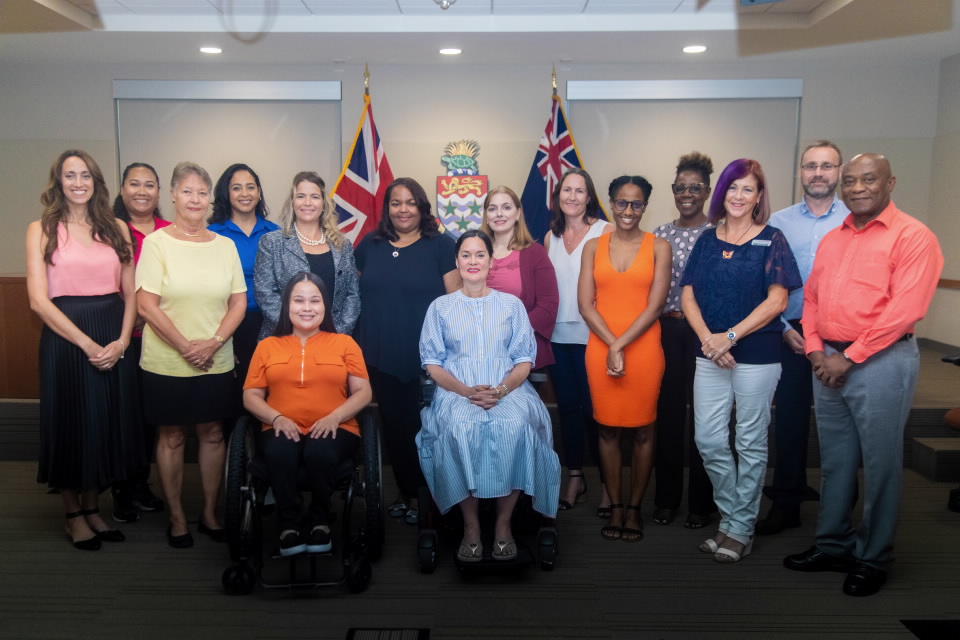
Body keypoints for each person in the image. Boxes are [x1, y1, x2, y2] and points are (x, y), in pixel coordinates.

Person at [784, 154, 943, 597]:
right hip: (827, 361)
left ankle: (873, 557)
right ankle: (833, 544)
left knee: (880, 464)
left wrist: (849, 358)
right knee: (835, 461)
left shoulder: (914, 236)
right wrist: (816, 351)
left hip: (882, 361)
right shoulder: (834, 238)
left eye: (868, 179)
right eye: (850, 181)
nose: (857, 188)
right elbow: (812, 299)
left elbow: (904, 310)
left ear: (890, 182)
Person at [680, 158, 801, 563]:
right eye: (732, 187)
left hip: (758, 354)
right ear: (722, 192)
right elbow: (688, 294)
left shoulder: (773, 239)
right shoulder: (706, 240)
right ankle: (734, 518)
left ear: (759, 196)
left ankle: (739, 529)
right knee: (709, 440)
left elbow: (777, 301)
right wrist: (710, 341)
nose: (738, 195)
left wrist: (729, 336)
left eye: (748, 189)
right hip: (709, 353)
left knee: (749, 442)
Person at [417, 230, 561, 562]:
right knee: (459, 427)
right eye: (466, 255)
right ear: (457, 262)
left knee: (516, 425)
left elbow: (524, 360)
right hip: (456, 389)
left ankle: (503, 524)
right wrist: (466, 391)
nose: (473, 261)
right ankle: (471, 526)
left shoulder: (511, 306)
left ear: (490, 261)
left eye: (480, 254)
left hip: (508, 387)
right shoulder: (440, 308)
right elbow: (432, 363)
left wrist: (501, 390)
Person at [26, 149, 142, 550]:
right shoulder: (41, 229)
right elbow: (38, 301)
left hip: (113, 333)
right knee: (72, 423)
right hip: (66, 338)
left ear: (96, 181)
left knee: (104, 423)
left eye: (85, 175)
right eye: (70, 175)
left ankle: (94, 508)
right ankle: (73, 514)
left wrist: (122, 342)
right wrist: (88, 343)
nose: (78, 183)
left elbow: (131, 294)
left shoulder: (118, 228)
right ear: (58, 181)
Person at [136, 161, 247, 548]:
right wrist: (185, 347)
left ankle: (211, 512)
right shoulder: (157, 244)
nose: (195, 199)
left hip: (216, 358)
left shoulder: (225, 246)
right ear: (172, 195)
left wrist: (213, 342)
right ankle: (177, 517)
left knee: (213, 434)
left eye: (202, 192)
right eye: (187, 191)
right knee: (171, 437)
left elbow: (239, 302)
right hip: (167, 361)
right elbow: (146, 305)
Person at [353, 177, 460, 525]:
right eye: (396, 203)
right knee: (395, 426)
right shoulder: (370, 244)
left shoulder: (441, 245)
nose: (403, 210)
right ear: (387, 208)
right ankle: (405, 491)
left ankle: (430, 495)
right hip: (379, 352)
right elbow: (352, 294)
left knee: (426, 427)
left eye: (411, 202)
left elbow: (455, 304)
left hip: (428, 358)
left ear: (422, 207)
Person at [243, 272, 372, 555]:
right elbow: (251, 395)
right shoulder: (267, 346)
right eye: (298, 300)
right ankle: (288, 524)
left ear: (325, 305)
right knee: (279, 451)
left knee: (319, 451)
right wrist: (276, 418)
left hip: (337, 427)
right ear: (287, 305)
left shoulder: (344, 344)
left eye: (314, 301)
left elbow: (363, 392)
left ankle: (320, 520)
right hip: (279, 426)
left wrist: (334, 417)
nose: (307, 308)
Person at [758, 141, 848, 535]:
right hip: (790, 333)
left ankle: (841, 514)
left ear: (839, 171)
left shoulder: (855, 219)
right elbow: (763, 283)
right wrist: (783, 328)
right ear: (800, 172)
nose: (818, 173)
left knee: (841, 427)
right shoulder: (778, 222)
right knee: (789, 425)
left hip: (841, 338)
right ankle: (786, 506)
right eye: (811, 165)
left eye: (827, 166)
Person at [579, 176, 671, 542]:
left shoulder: (659, 246)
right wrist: (612, 345)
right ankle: (615, 505)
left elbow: (655, 306)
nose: (628, 210)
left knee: (645, 430)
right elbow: (586, 305)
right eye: (621, 202)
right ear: (611, 203)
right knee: (607, 428)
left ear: (645, 206)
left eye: (636, 204)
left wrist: (619, 345)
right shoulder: (592, 247)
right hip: (601, 347)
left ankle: (634, 509)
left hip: (644, 349)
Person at [652, 152, 717, 530]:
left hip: (706, 336)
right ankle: (666, 499)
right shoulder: (659, 235)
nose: (687, 194)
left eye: (695, 188)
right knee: (669, 416)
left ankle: (701, 504)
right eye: (681, 188)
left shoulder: (719, 233)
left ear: (707, 191)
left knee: (705, 420)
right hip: (666, 332)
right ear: (673, 191)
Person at [544, 168, 613, 515]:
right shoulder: (550, 237)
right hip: (558, 337)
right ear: (558, 196)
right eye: (566, 190)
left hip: (594, 337)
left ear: (589, 197)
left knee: (595, 412)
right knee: (568, 410)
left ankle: (608, 485)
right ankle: (575, 477)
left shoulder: (606, 231)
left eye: (579, 191)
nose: (572, 196)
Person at [109, 162, 170, 522]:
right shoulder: (110, 229)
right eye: (135, 184)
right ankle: (121, 487)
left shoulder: (171, 230)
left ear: (159, 192)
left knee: (149, 417)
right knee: (124, 416)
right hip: (124, 338)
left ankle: (140, 483)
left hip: (162, 338)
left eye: (150, 184)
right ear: (122, 189)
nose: (142, 191)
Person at [254, 171, 359, 337]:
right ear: (293, 202)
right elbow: (265, 294)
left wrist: (339, 333)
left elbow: (352, 295)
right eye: (301, 196)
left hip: (333, 338)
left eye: (315, 197)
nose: (308, 203)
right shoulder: (272, 242)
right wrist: (298, 331)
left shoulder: (342, 245)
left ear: (324, 203)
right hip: (285, 338)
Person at [208, 164, 280, 400]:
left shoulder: (275, 233)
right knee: (234, 396)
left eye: (250, 187)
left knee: (271, 393)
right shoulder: (213, 234)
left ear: (259, 192)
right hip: (228, 324)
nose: (245, 193)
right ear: (226, 193)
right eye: (236, 188)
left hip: (271, 322)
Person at [480, 185, 559, 372]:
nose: (499, 214)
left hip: (521, 350)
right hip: (479, 349)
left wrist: (510, 332)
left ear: (517, 214)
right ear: (486, 216)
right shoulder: (476, 253)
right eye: (492, 209)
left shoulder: (536, 253)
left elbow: (548, 305)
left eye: (506, 207)